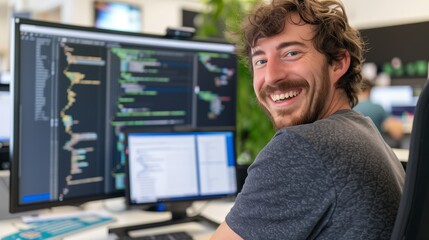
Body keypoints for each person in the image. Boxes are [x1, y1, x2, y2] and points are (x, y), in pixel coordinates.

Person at [210, 0, 405, 239]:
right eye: (260, 60)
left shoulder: (303, 146)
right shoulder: (362, 129)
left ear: (338, 63)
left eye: (291, 53)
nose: (271, 77)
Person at [354, 79, 405, 148]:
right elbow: (397, 133)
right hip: (376, 151)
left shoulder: (349, 108)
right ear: (369, 90)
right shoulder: (377, 108)